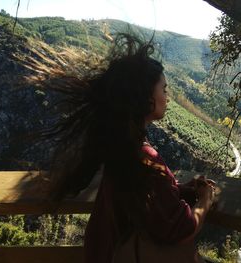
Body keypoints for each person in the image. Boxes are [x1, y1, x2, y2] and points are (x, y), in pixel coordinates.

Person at [38, 34, 217, 263]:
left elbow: (142, 198)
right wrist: (205, 200)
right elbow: (180, 228)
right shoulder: (144, 156)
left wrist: (179, 189)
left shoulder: (121, 149)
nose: (168, 98)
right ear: (146, 98)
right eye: (164, 89)